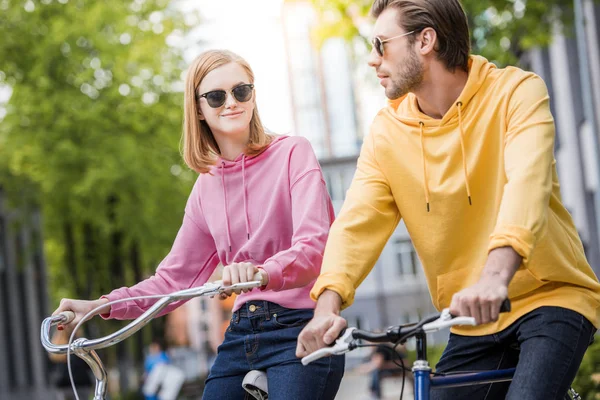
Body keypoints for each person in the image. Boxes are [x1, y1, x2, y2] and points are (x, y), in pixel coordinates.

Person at [296, 1, 600, 399]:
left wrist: (494, 278)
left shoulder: (516, 92)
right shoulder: (386, 132)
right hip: (471, 316)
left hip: (551, 296)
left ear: (425, 40)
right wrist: (326, 307)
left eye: (381, 44)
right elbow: (356, 224)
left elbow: (527, 183)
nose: (372, 60)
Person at [53, 49, 344, 399]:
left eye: (241, 91)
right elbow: (171, 281)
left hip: (300, 326)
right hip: (242, 334)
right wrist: (96, 307)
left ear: (253, 96)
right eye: (216, 96)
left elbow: (317, 246)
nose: (231, 103)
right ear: (199, 109)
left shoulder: (294, 153)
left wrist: (262, 272)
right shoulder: (206, 187)